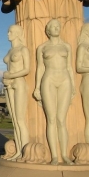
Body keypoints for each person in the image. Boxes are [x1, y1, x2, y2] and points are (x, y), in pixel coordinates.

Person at [34, 19, 75, 165]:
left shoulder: (67, 46)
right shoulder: (42, 48)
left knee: (61, 120)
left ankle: (64, 155)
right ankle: (54, 156)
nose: (56, 28)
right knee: (51, 119)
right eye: (53, 26)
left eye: (58, 26)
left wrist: (74, 86)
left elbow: (70, 67)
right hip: (49, 80)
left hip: (65, 80)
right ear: (48, 30)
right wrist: (37, 87)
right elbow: (40, 68)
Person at [3, 24, 30, 159]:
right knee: (14, 120)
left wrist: (11, 76)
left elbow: (27, 69)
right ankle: (19, 150)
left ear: (18, 34)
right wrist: (7, 79)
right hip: (9, 84)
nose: (8, 34)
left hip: (19, 83)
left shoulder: (23, 49)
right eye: (8, 31)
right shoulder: (10, 51)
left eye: (11, 32)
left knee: (20, 119)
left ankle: (25, 151)